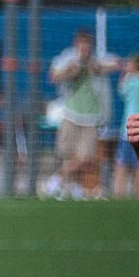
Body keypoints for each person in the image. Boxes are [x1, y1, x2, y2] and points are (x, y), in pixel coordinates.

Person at [46, 30, 117, 198]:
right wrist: (71, 71)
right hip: (71, 114)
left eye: (87, 44)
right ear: (76, 44)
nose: (84, 48)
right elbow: (54, 76)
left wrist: (97, 67)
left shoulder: (96, 58)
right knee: (67, 154)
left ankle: (55, 181)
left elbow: (115, 63)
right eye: (81, 44)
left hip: (92, 117)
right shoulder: (68, 57)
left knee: (85, 158)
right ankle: (73, 188)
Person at [115, 54, 139, 199]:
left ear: (136, 65)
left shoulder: (130, 81)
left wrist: (124, 74)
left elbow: (121, 90)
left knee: (121, 164)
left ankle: (119, 194)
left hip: (129, 128)